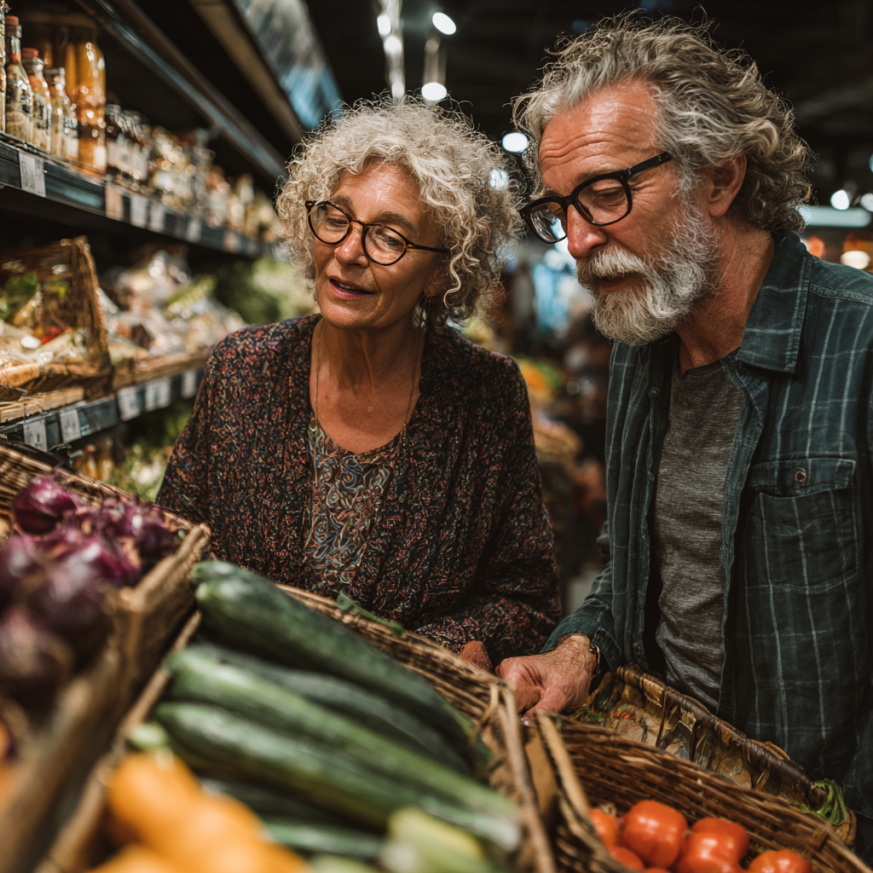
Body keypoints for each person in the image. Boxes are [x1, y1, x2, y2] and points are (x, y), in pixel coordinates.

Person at [496, 16, 873, 860]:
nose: (582, 241)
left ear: (720, 178)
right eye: (561, 209)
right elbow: (636, 579)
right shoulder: (642, 353)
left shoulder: (859, 349)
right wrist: (579, 650)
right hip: (675, 820)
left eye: (606, 193)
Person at [159, 98, 561, 665]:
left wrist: (409, 656)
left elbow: (525, 599)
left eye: (389, 237)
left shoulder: (485, 396)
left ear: (442, 269)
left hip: (393, 728)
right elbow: (171, 538)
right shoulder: (243, 369)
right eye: (336, 218)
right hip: (235, 698)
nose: (347, 253)